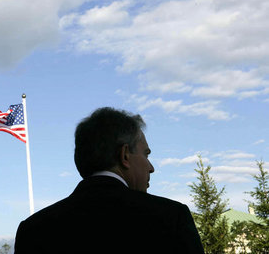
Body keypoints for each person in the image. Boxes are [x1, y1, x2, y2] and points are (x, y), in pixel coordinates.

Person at [14, 107, 204, 254]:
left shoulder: (33, 230)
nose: (151, 167)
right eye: (146, 154)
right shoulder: (171, 218)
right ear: (124, 156)